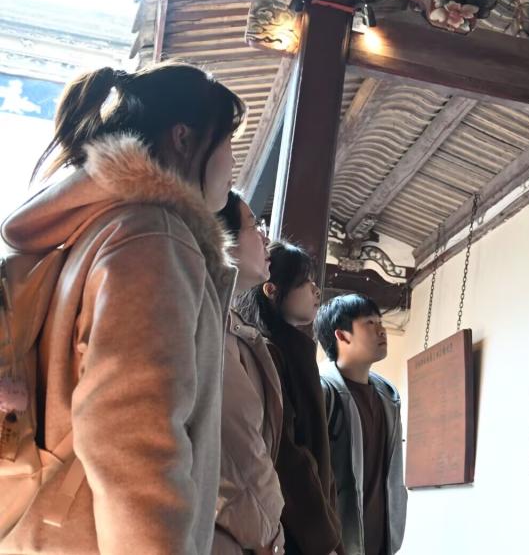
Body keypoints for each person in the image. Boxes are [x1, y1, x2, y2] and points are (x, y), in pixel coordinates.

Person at [0, 63, 243, 554]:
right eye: (228, 144)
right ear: (183, 138)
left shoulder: (95, 228)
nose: (233, 163)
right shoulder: (155, 238)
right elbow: (133, 442)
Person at [236, 242, 342, 555]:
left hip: (305, 524)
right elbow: (287, 453)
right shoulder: (270, 353)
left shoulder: (294, 350)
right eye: (304, 282)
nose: (316, 290)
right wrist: (323, 537)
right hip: (291, 527)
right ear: (272, 290)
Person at [213, 191, 285, 555]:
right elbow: (237, 449)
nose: (265, 238)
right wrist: (269, 533)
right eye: (255, 226)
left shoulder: (235, 331)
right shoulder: (206, 323)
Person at [315, 294, 407, 555]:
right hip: (334, 546)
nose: (382, 329)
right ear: (342, 335)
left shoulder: (388, 396)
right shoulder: (321, 392)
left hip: (382, 544)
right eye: (369, 322)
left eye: (381, 322)